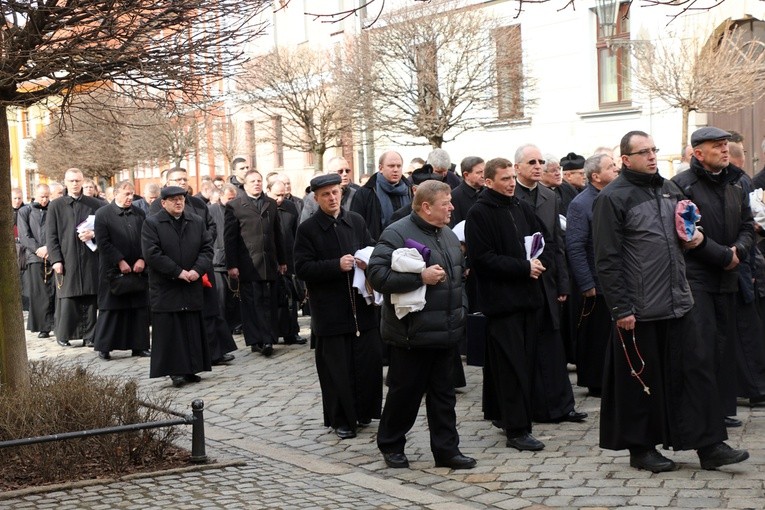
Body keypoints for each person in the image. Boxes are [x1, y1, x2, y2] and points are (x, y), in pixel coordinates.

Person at [593, 129, 749, 472]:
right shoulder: (613, 198)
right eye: (643, 152)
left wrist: (699, 240)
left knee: (694, 374)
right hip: (639, 306)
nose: (651, 156)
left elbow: (688, 233)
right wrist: (621, 308)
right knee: (641, 382)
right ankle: (641, 448)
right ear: (625, 159)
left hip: (678, 300)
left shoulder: (668, 189)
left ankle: (710, 446)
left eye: (654, 150)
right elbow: (607, 258)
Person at [368, 180, 475, 470]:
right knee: (405, 394)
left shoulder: (449, 235)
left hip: (446, 332)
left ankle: (447, 451)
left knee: (444, 397)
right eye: (446, 203)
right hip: (411, 334)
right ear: (426, 207)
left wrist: (461, 309)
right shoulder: (397, 233)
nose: (452, 207)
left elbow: (458, 278)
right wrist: (419, 278)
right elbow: (377, 276)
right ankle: (391, 445)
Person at [672, 127, 755, 428]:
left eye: (725, 145)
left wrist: (739, 251)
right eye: (717, 146)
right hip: (697, 279)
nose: (724, 150)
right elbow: (687, 236)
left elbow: (747, 224)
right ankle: (702, 415)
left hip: (728, 277)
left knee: (723, 346)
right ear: (698, 153)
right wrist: (725, 256)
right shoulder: (682, 186)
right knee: (701, 348)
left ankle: (720, 410)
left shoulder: (735, 182)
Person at [466, 158, 549, 452]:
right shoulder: (479, 212)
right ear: (488, 182)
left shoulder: (521, 206)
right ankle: (517, 429)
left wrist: (538, 260)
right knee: (511, 365)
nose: (512, 183)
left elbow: (541, 240)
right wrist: (522, 268)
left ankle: (504, 415)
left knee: (523, 362)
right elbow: (482, 259)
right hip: (501, 302)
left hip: (528, 298)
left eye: (513, 177)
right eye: (505, 179)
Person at [294, 174, 382, 440]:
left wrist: (368, 260)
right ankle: (341, 418)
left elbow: (371, 248)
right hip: (331, 310)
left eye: (335, 193)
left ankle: (364, 410)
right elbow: (302, 268)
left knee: (366, 362)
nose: (332, 198)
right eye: (326, 195)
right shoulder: (308, 229)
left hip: (361, 307)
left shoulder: (355, 220)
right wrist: (335, 265)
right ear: (316, 198)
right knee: (337, 369)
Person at [513, 144, 585, 425]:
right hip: (520, 279)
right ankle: (527, 406)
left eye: (541, 161)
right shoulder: (510, 194)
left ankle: (561, 405)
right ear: (517, 167)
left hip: (548, 280)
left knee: (552, 344)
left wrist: (563, 284)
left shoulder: (549, 196)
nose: (538, 166)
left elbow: (557, 243)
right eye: (532, 161)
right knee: (525, 345)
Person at [142, 186, 214, 387]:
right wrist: (177, 272)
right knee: (171, 330)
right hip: (167, 286)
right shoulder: (152, 223)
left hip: (191, 282)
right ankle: (175, 370)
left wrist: (197, 270)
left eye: (181, 198)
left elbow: (207, 249)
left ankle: (192, 367)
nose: (178, 202)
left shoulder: (196, 221)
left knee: (191, 327)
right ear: (163, 203)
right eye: (173, 199)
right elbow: (152, 253)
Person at [565, 153, 619, 397]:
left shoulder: (613, 197)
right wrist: (586, 282)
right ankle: (596, 380)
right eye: (611, 167)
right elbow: (575, 246)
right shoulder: (581, 204)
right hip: (595, 282)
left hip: (614, 278)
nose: (616, 169)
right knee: (596, 334)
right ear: (596, 176)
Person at [224, 169, 287, 357]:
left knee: (268, 301)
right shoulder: (235, 206)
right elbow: (230, 238)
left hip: (269, 261)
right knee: (253, 303)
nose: (257, 184)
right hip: (248, 263)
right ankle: (256, 340)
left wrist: (282, 260)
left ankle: (269, 338)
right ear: (245, 185)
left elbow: (278, 233)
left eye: (259, 180)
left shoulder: (270, 204)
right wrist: (232, 265)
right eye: (253, 181)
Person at [92, 180, 151, 360]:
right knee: (111, 309)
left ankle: (139, 345)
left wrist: (142, 258)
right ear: (116, 193)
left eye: (132, 194)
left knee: (138, 308)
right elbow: (103, 242)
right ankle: (105, 346)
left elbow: (147, 239)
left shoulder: (140, 213)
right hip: (113, 270)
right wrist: (119, 261)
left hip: (137, 269)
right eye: (126, 194)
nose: (130, 198)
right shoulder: (103, 214)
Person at [46, 168, 104, 347]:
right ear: (65, 182)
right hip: (67, 256)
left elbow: (105, 229)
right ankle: (65, 334)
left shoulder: (95, 204)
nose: (75, 184)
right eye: (71, 181)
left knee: (90, 296)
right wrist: (56, 259)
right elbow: (51, 235)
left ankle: (90, 335)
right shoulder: (56, 205)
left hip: (89, 257)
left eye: (78, 180)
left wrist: (93, 234)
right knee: (67, 297)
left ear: (82, 181)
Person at [267, 178, 306, 345]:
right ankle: (272, 333)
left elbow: (296, 233)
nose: (280, 199)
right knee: (272, 300)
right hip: (270, 260)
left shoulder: (291, 207)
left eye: (284, 195)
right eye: (277, 195)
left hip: (289, 259)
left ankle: (291, 332)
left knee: (291, 299)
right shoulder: (263, 208)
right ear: (268, 191)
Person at [17, 184, 55, 338]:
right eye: (41, 196)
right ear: (35, 195)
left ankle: (55, 323)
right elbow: (24, 235)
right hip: (34, 256)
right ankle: (42, 326)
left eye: (47, 196)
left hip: (52, 254)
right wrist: (38, 249)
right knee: (38, 293)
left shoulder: (53, 209)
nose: (44, 200)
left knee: (54, 291)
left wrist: (49, 248)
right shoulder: (25, 211)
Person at [351, 151, 412, 241]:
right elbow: (356, 225)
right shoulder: (366, 192)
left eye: (399, 166)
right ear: (380, 168)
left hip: (406, 246)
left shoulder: (410, 191)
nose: (395, 169)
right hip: (377, 247)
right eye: (391, 166)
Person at [210, 184, 242, 336]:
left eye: (234, 198)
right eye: (229, 198)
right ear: (220, 197)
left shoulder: (237, 210)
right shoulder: (212, 211)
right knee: (221, 297)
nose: (232, 201)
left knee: (234, 296)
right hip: (217, 262)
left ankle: (235, 324)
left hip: (233, 259)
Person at [300, 156, 360, 223]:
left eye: (347, 171)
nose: (345, 174)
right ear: (329, 173)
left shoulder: (356, 194)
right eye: (340, 171)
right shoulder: (313, 196)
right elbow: (305, 224)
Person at [449, 156, 484, 227]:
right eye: (479, 172)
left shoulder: (489, 192)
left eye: (484, 171)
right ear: (466, 175)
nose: (483, 175)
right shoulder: (455, 197)